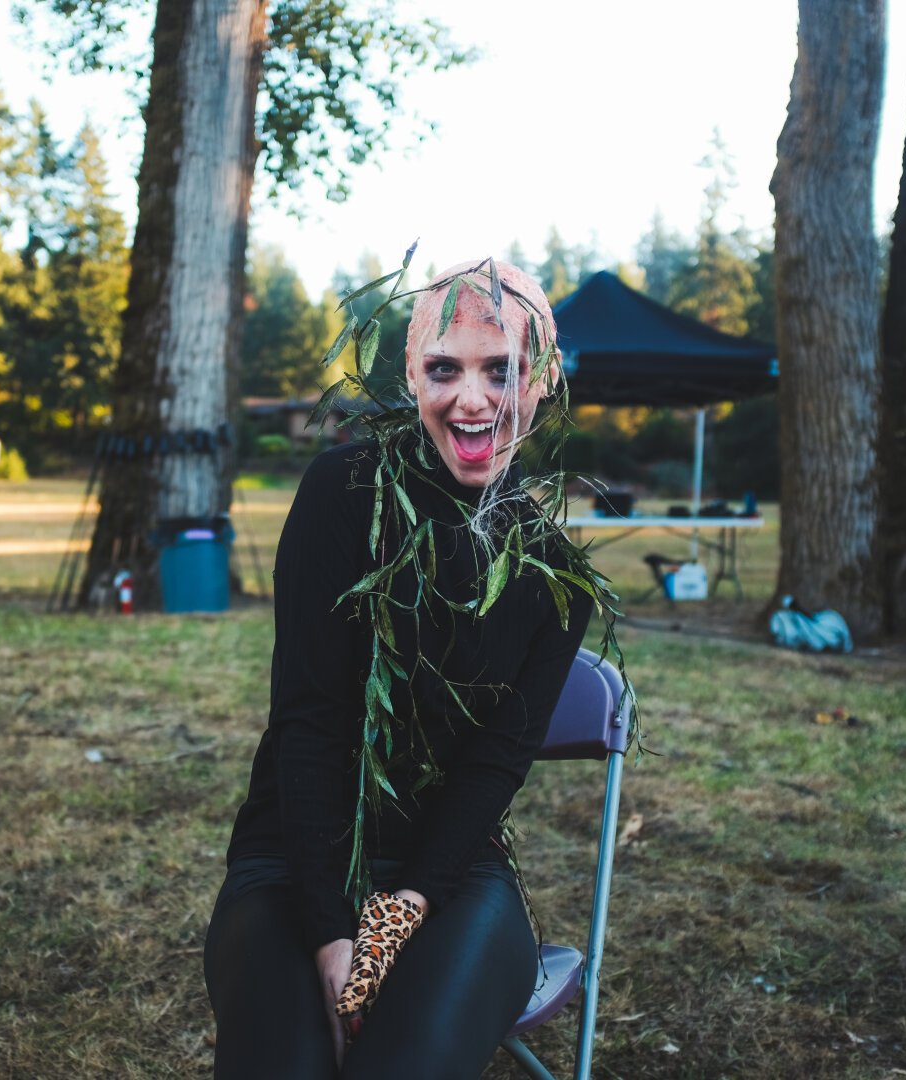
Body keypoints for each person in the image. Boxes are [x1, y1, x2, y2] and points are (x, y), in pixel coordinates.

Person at [203, 257, 608, 1080]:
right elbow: (310, 721)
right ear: (412, 377)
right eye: (443, 368)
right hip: (292, 861)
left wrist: (396, 917)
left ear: (544, 382)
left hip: (452, 875)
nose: (472, 398)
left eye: (504, 369)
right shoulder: (344, 492)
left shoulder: (554, 574)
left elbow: (495, 763)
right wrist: (331, 934)